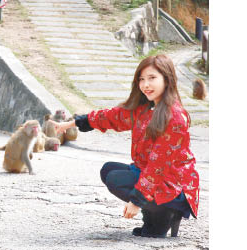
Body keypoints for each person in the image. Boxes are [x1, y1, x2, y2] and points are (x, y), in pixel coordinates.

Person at [51, 54, 199, 238]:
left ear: (167, 79)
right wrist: (72, 123)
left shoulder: (175, 117)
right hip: (156, 178)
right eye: (142, 79)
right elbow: (112, 117)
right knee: (109, 170)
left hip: (174, 185)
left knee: (116, 178)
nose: (146, 85)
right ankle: (156, 216)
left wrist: (137, 201)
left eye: (152, 78)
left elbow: (158, 166)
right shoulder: (145, 109)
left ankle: (165, 213)